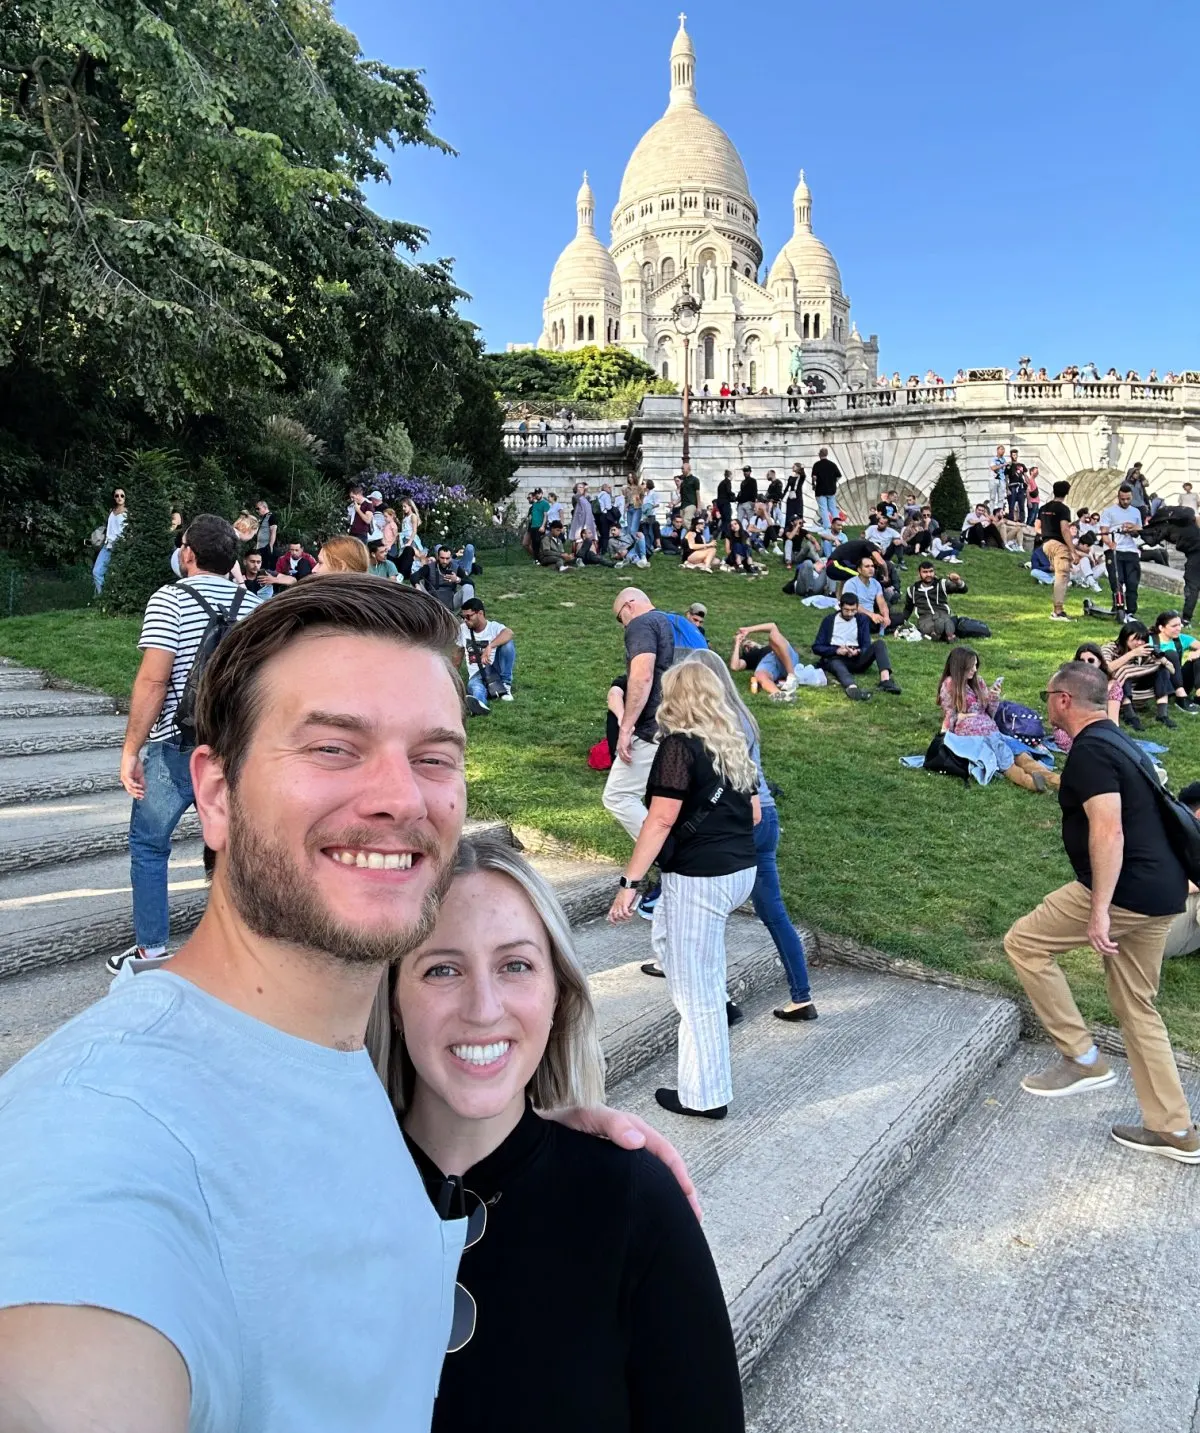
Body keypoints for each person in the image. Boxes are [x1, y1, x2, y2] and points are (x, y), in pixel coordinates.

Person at [0, 578, 694, 1433]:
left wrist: (536, 1137)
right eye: (334, 746)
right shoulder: (97, 1132)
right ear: (214, 793)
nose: (400, 797)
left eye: (434, 756)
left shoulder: (336, 1073)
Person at [369, 836, 744, 1433]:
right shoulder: (324, 1195)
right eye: (442, 968)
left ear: (557, 994)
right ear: (391, 999)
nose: (484, 1007)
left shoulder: (632, 1201)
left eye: (515, 965)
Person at [1004, 662, 1198, 1162]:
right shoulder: (1120, 741)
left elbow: (1108, 831)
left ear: (1064, 700)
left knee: (1025, 943)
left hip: (1127, 889)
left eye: (1049, 695)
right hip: (1164, 892)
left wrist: (1099, 910)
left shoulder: (1090, 751)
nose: (1046, 703)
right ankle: (1175, 1130)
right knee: (1138, 1007)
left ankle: (1081, 1057)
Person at [607, 663, 758, 1119]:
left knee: (697, 993)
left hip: (701, 879)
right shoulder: (731, 744)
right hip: (737, 871)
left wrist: (630, 884)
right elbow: (753, 813)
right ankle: (703, 1081)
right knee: (694, 969)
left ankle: (704, 1095)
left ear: (676, 698)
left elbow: (660, 820)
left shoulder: (679, 746)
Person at [112, 514, 262, 970]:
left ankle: (152, 951)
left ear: (188, 553)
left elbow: (154, 680)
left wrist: (130, 750)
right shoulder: (254, 606)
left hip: (176, 744)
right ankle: (241, 945)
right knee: (232, 846)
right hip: (232, 746)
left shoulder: (170, 598)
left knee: (150, 845)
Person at [677, 650, 817, 1022]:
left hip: (737, 823)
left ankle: (720, 1001)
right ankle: (802, 995)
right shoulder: (744, 714)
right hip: (766, 818)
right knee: (774, 913)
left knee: (710, 917)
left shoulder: (716, 722)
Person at [602, 588, 674, 844]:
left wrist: (626, 728)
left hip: (650, 728)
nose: (624, 627)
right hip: (675, 723)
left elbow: (642, 675)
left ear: (629, 606)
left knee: (618, 795)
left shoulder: (641, 624)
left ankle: (663, 855)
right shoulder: (669, 621)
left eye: (620, 619)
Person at [936, 647, 1057, 793]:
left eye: (976, 665)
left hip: (994, 731)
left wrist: (993, 697)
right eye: (971, 666)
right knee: (1006, 762)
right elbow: (950, 714)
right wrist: (959, 720)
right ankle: (1033, 784)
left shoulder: (978, 682)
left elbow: (989, 711)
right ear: (960, 666)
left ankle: (1057, 781)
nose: (974, 669)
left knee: (1021, 755)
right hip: (976, 736)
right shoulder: (950, 684)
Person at [812, 593, 901, 701]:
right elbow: (816, 647)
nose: (850, 613)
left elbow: (866, 645)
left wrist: (857, 651)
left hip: (856, 657)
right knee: (836, 664)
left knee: (879, 644)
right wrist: (837, 650)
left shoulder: (862, 619)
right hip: (836, 656)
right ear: (840, 607)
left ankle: (885, 681)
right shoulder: (829, 620)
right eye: (846, 610)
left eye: (853, 610)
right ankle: (852, 688)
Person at [1102, 620, 1178, 728]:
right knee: (1124, 671)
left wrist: (1162, 660)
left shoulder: (1144, 651)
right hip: (1116, 685)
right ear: (1125, 637)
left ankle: (1162, 714)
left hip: (1138, 686)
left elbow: (1172, 671)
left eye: (1143, 640)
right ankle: (1129, 715)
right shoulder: (1110, 648)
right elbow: (1106, 668)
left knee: (1162, 671)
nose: (1140, 643)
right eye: (1136, 639)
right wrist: (1132, 654)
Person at [1051, 644, 1125, 748]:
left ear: (1100, 662)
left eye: (1091, 661)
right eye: (1082, 661)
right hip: (1072, 727)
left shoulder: (1112, 686)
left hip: (1099, 727)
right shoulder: (1070, 683)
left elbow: (1113, 720)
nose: (1086, 665)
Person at [456, 596, 515, 714]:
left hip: (494, 669)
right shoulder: (463, 629)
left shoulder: (493, 627)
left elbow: (509, 633)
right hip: (475, 674)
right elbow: (457, 654)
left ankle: (505, 685)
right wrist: (452, 677)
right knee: (476, 688)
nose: (465, 620)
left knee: (508, 644)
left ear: (480, 613)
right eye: (463, 617)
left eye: (468, 616)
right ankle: (479, 704)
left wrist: (490, 646)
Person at [1098, 484, 1143, 615]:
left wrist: (1133, 528)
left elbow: (1139, 531)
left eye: (1128, 499)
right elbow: (1104, 532)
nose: (1125, 502)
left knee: (1132, 582)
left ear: (1131, 497)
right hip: (1115, 550)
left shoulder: (1136, 512)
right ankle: (1118, 608)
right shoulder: (1109, 512)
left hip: (1131, 550)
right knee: (1117, 580)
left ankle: (1131, 611)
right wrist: (1109, 543)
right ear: (1118, 497)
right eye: (1122, 499)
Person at [1037, 479, 1078, 622]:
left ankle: (1058, 609)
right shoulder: (1063, 509)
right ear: (1067, 492)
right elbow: (1065, 530)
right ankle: (1058, 611)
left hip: (1046, 544)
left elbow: (1037, 527)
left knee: (1059, 576)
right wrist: (1073, 550)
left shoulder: (1043, 508)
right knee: (1062, 577)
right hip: (1059, 545)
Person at [730, 622, 798, 700]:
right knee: (759, 674)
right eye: (745, 646)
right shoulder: (748, 658)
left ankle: (792, 677)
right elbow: (734, 667)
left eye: (748, 642)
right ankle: (779, 694)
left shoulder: (770, 646)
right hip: (769, 665)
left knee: (774, 635)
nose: (748, 646)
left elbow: (772, 626)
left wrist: (748, 629)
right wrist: (737, 643)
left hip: (784, 657)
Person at [903, 561, 968, 640]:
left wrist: (958, 581)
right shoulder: (912, 590)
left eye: (931, 571)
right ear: (919, 573)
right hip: (925, 619)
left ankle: (941, 635)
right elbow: (908, 609)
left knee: (945, 622)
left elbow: (963, 590)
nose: (929, 574)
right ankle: (946, 635)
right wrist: (902, 622)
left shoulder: (942, 584)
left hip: (943, 615)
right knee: (940, 624)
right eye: (925, 572)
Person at [1149, 611, 1200, 711]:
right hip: (1159, 681)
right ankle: (1180, 697)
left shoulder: (1181, 639)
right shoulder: (1151, 640)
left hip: (1178, 679)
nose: (1179, 628)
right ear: (1161, 628)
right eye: (1174, 626)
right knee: (1171, 653)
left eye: (1179, 624)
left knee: (1199, 658)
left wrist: (1197, 653)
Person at [841, 555, 893, 632]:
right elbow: (851, 606)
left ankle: (883, 626)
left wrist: (886, 617)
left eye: (872, 566)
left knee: (899, 618)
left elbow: (881, 602)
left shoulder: (875, 583)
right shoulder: (851, 584)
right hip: (856, 615)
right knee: (864, 620)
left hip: (871, 616)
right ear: (859, 569)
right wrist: (872, 615)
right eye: (867, 566)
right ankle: (883, 628)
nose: (871, 569)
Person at [92, 486, 128, 594]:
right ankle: (102, 597)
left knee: (118, 574)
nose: (119, 498)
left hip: (119, 547)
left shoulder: (128, 513)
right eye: (116, 496)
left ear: (125, 497)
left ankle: (115, 598)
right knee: (96, 572)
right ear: (114, 498)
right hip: (107, 546)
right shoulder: (111, 511)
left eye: (122, 495)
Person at [419, 544, 473, 609]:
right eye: (442, 558)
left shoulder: (455, 567)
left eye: (447, 558)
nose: (444, 561)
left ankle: (468, 615)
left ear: (451, 558)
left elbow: (470, 582)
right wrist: (417, 586)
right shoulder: (429, 567)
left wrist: (457, 579)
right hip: (431, 603)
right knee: (415, 584)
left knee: (468, 587)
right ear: (438, 557)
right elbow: (414, 577)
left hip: (451, 602)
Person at [812, 446, 841, 530]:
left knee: (823, 508)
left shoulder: (817, 465)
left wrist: (814, 484)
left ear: (820, 455)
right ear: (827, 454)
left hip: (820, 490)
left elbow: (814, 477)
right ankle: (838, 524)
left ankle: (827, 526)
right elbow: (839, 476)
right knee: (833, 508)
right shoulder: (832, 464)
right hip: (831, 490)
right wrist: (832, 482)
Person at [254, 498, 278, 567]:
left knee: (265, 567)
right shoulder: (263, 518)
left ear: (264, 507)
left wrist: (270, 546)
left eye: (258, 508)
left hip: (266, 547)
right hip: (260, 547)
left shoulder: (271, 516)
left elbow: (273, 531)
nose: (257, 511)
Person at [678, 461, 700, 527]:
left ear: (688, 469)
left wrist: (699, 507)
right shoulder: (683, 481)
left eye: (683, 468)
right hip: (683, 505)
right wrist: (674, 503)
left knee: (686, 521)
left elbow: (697, 493)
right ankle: (690, 536)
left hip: (691, 504)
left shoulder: (695, 480)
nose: (682, 470)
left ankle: (691, 536)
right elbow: (681, 496)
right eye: (681, 468)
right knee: (682, 524)